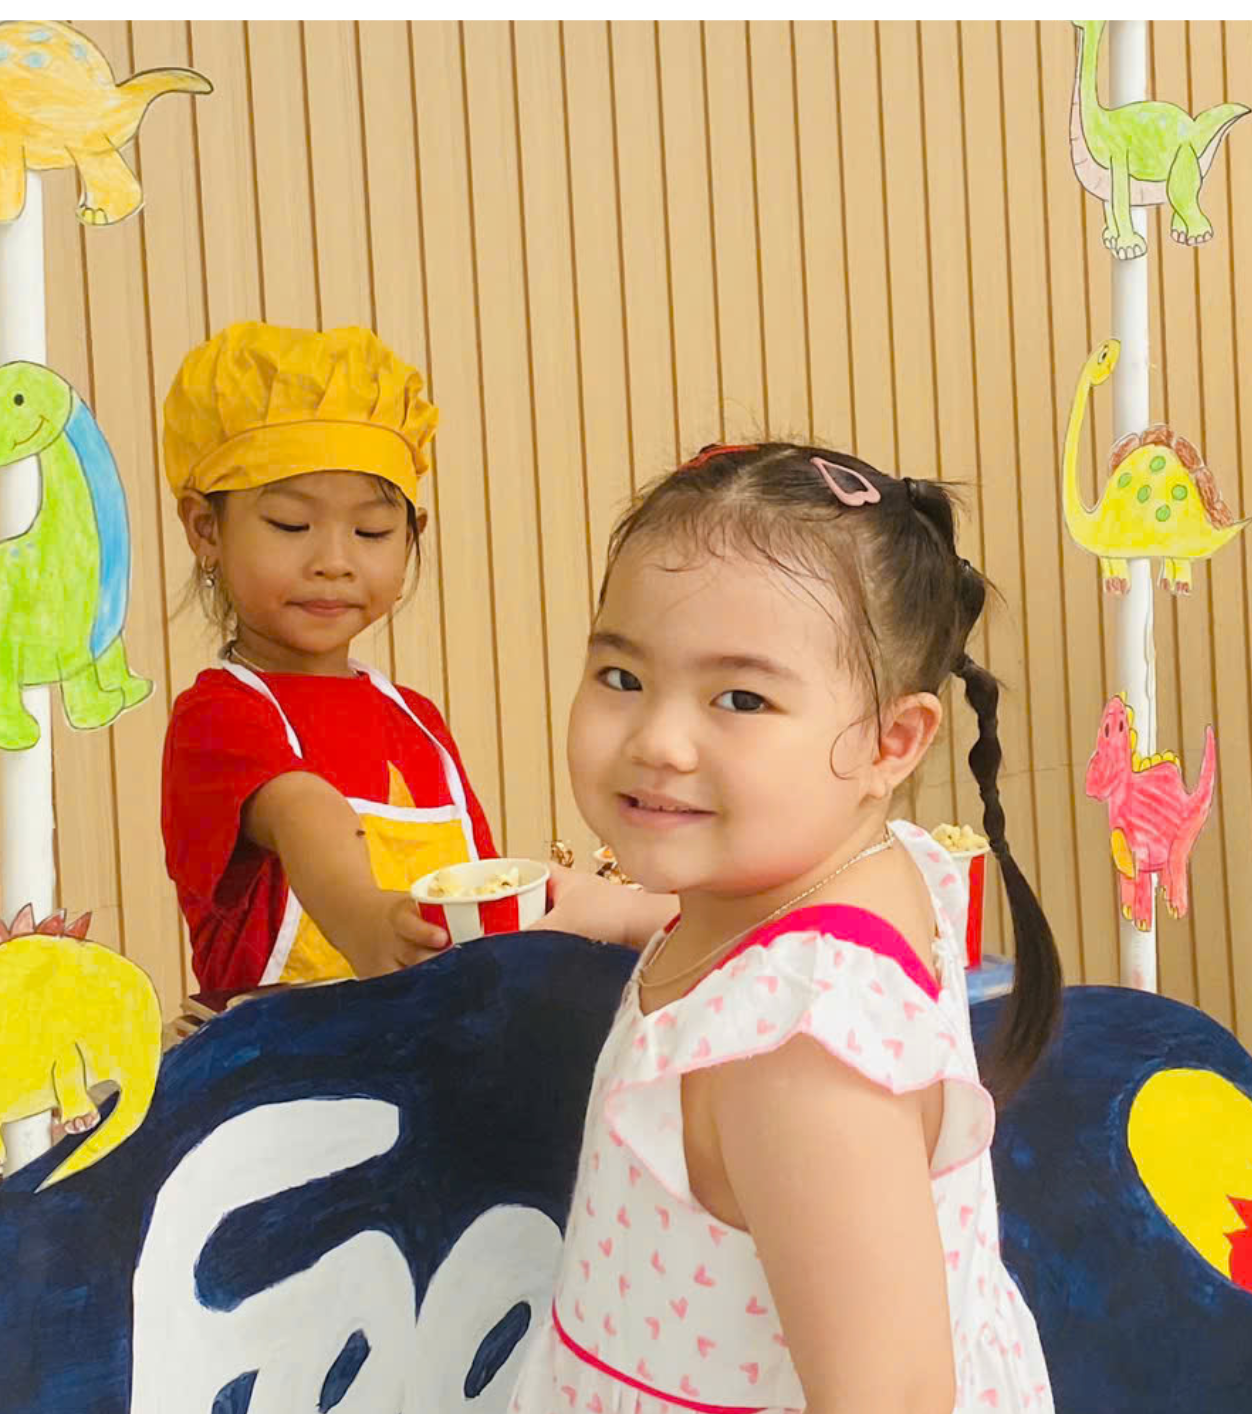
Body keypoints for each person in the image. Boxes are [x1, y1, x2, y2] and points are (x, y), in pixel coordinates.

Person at [510, 443, 1058, 1413]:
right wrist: (608, 909)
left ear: (891, 742)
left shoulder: (790, 1051)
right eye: (621, 675)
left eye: (740, 699)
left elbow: (891, 1398)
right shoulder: (847, 871)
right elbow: (758, 949)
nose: (657, 741)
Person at [159, 321, 499, 993]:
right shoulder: (219, 717)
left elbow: (481, 890)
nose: (334, 562)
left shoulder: (419, 723)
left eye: (371, 531)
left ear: (411, 536)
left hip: (428, 1030)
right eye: (291, 525)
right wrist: (365, 919)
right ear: (205, 528)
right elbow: (303, 811)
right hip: (283, 1049)